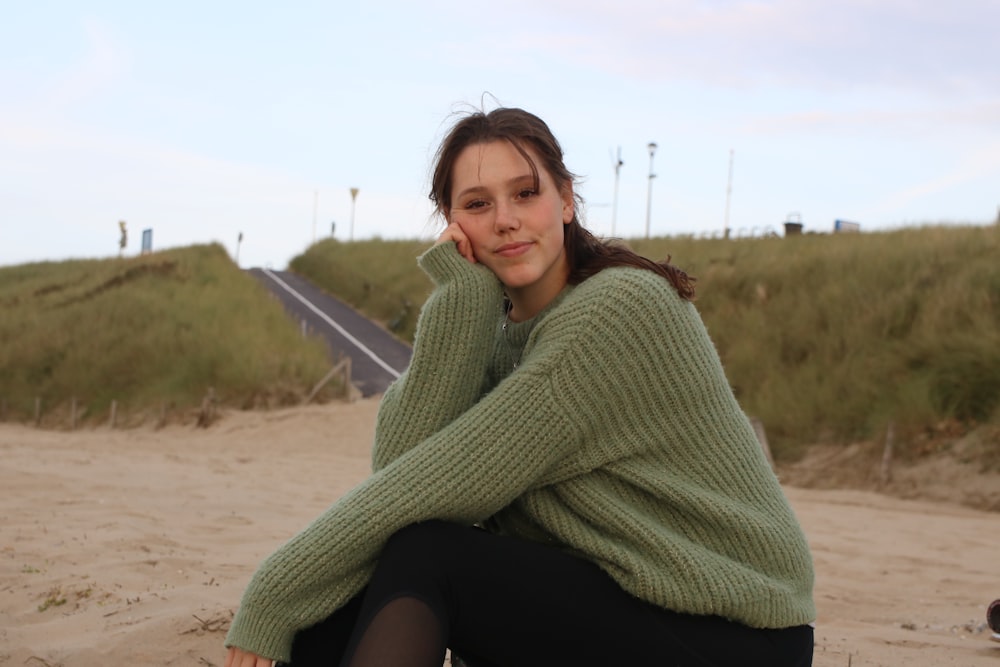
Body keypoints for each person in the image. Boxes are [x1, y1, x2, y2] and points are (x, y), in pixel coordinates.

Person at [224, 107, 816, 667]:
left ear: (566, 200)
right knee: (349, 595)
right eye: (478, 203)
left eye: (525, 193)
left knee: (427, 558)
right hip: (617, 598)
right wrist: (462, 300)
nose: (505, 218)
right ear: (453, 224)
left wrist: (274, 592)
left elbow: (435, 484)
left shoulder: (619, 310)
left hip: (730, 627)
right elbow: (399, 464)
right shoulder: (497, 331)